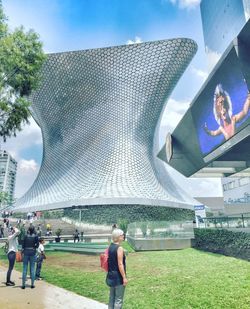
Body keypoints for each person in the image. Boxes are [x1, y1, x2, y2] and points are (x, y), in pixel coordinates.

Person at [106, 229, 128, 309]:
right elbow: (120, 264)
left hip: (111, 275)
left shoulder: (110, 246)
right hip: (118, 277)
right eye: (122, 235)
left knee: (112, 297)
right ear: (118, 237)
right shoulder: (119, 248)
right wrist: (124, 277)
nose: (123, 236)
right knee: (118, 299)